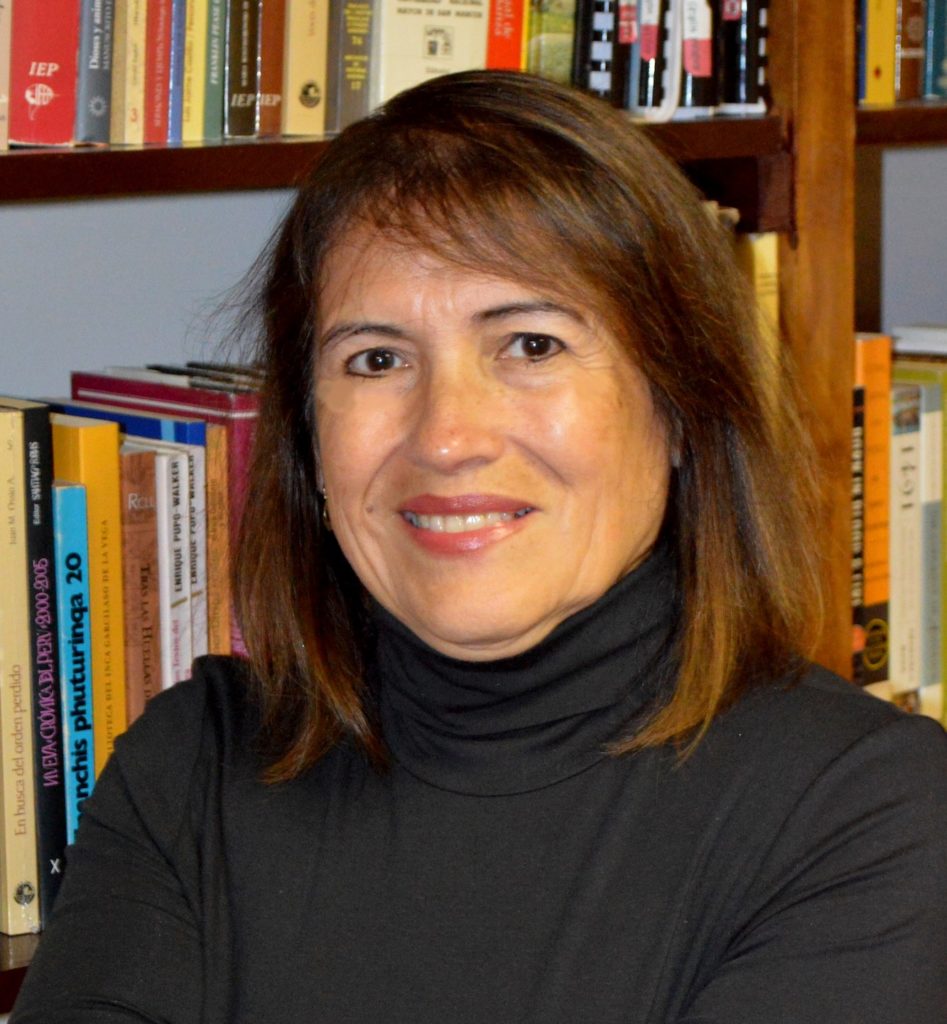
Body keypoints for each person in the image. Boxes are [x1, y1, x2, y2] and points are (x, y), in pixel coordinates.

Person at [12, 71, 947, 1024]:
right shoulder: (193, 768)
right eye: (376, 360)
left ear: (677, 406)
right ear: (305, 439)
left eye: (530, 345)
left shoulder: (865, 812)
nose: (447, 435)